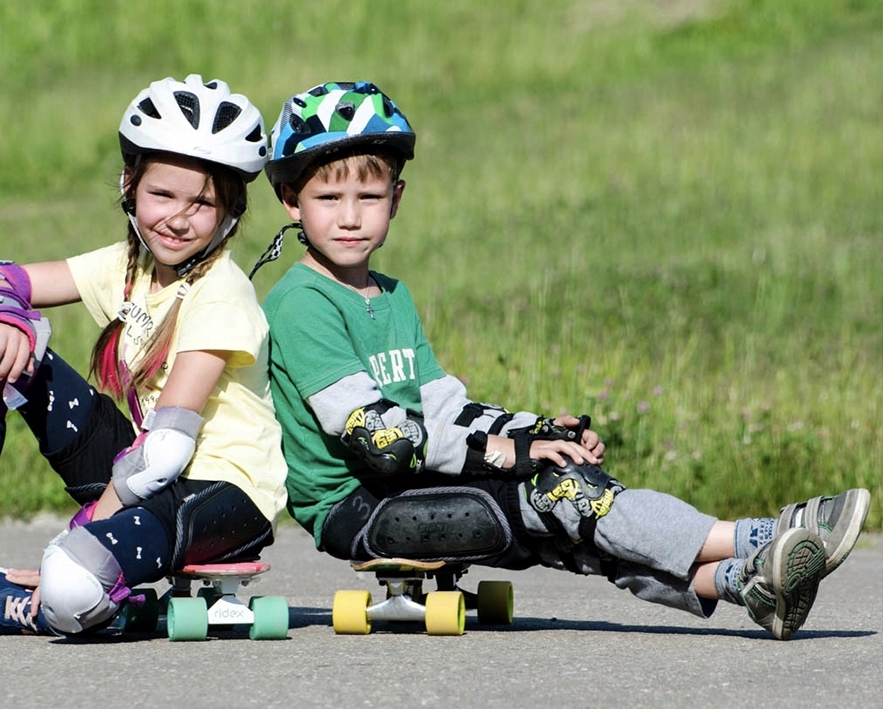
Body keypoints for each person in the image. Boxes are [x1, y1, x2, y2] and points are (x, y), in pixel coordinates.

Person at [253, 80, 869, 640]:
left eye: (369, 194)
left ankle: (748, 585)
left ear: (398, 197)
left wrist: (528, 430)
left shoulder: (391, 294)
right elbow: (378, 436)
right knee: (564, 493)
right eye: (329, 196)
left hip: (406, 480)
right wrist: (508, 455)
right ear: (290, 200)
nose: (352, 215)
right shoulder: (302, 302)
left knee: (579, 522)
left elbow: (440, 403)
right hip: (357, 506)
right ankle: (767, 536)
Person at [0, 74, 288, 638]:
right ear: (129, 184)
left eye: (202, 203)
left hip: (223, 495)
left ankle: (34, 602)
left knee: (71, 582)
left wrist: (82, 531)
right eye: (162, 195)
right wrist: (4, 313)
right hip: (142, 475)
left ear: (230, 209)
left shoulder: (220, 292)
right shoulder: (130, 266)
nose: (179, 217)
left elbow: (168, 449)